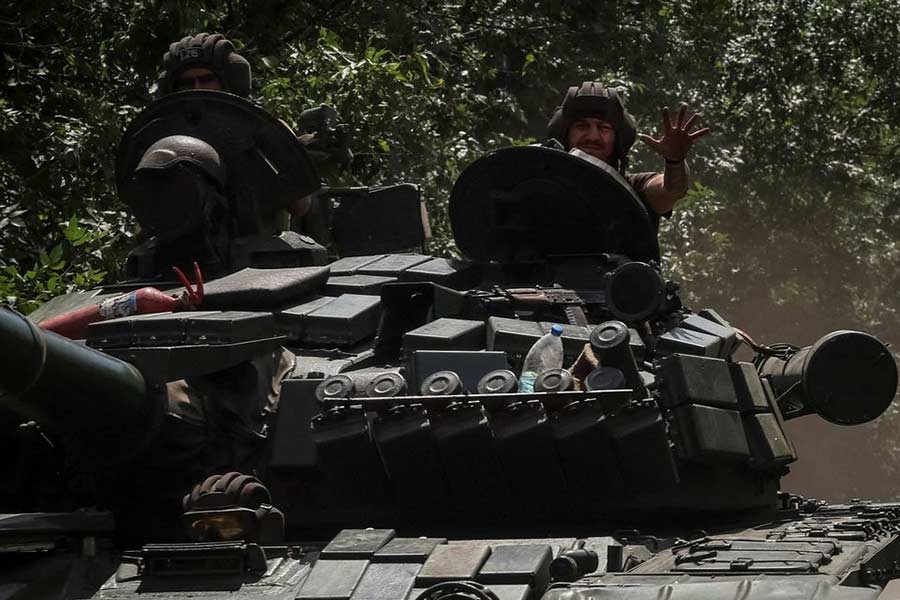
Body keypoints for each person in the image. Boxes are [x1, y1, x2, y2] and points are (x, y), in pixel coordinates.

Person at [547, 81, 709, 232]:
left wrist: (675, 161)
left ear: (617, 139)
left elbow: (671, 190)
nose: (593, 137)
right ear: (565, 135)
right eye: (582, 126)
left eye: (603, 128)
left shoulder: (634, 188)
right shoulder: (542, 184)